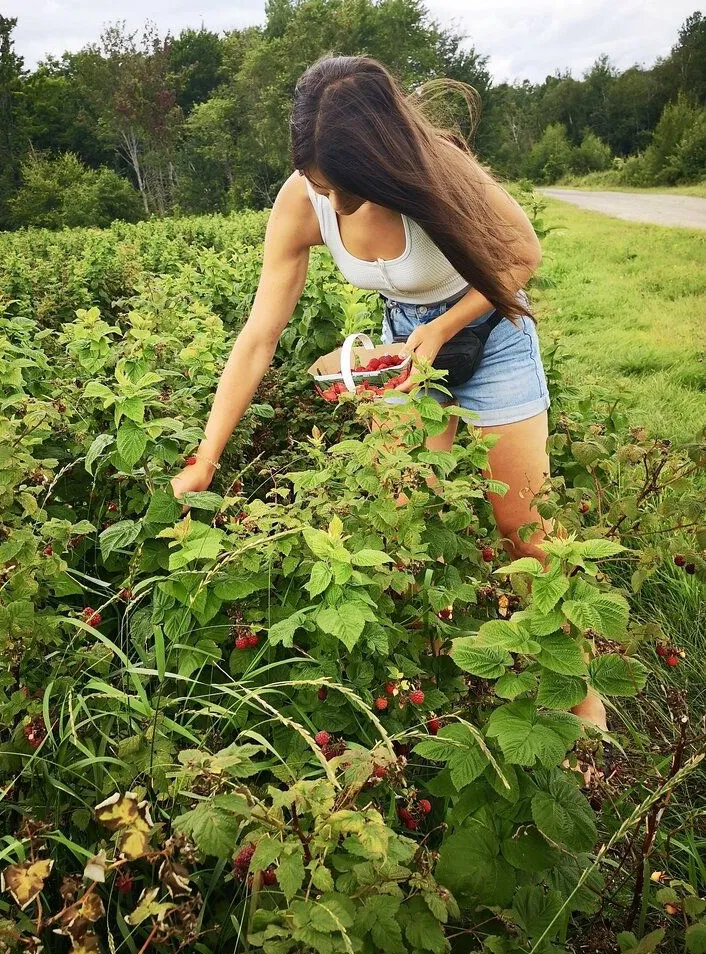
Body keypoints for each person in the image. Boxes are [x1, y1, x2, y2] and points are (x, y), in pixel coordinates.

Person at [169, 54, 607, 733]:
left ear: (382, 160)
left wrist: (443, 327)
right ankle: (441, 692)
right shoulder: (304, 199)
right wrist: (206, 455)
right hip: (404, 346)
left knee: (525, 532)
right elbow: (259, 336)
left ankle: (582, 708)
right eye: (322, 185)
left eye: (347, 188)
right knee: (400, 515)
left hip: (490, 329)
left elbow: (522, 256)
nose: (334, 204)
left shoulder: (441, 171)